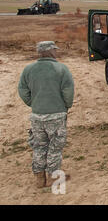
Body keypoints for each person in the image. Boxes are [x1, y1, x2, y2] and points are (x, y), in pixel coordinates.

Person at [18, 41, 74, 188]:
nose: (56, 52)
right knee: (55, 147)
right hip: (57, 115)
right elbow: (68, 92)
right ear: (51, 51)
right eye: (55, 50)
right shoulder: (61, 69)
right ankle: (52, 178)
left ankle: (39, 179)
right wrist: (65, 106)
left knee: (39, 146)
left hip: (37, 115)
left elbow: (22, 90)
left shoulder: (28, 69)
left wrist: (34, 103)